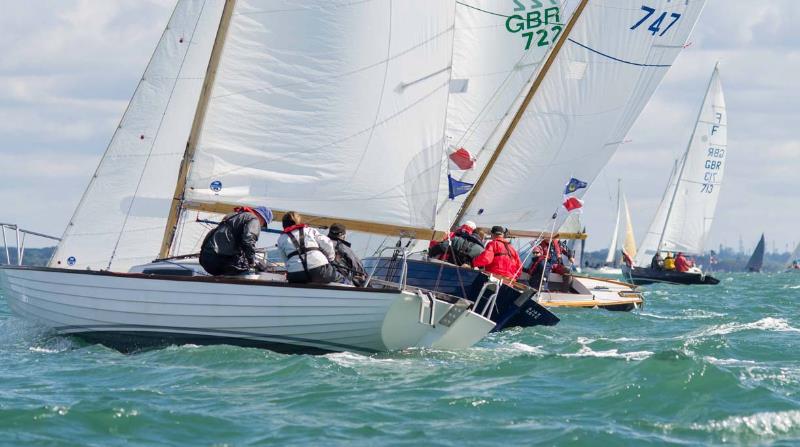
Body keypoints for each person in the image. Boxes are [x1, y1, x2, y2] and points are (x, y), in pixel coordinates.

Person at [199, 206, 273, 276]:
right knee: (253, 272)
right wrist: (252, 262)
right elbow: (248, 240)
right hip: (221, 258)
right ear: (261, 216)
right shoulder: (254, 219)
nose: (261, 226)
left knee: (239, 269)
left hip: (206, 258)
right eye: (264, 224)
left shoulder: (234, 215)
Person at [276, 211, 342, 284]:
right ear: (298, 221)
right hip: (319, 269)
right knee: (341, 279)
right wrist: (331, 259)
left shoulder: (281, 239)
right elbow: (327, 243)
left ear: (283, 224)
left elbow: (285, 259)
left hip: (296, 274)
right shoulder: (310, 230)